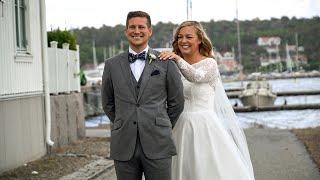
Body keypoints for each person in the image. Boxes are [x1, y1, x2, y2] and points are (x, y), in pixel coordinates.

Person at [159, 21, 255, 180]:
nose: (183, 41)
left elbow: (196, 76)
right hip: (179, 126)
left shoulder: (210, 64)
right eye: (179, 37)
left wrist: (176, 58)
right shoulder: (173, 65)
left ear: (199, 40)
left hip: (204, 126)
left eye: (189, 37)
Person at [101, 11, 184, 180]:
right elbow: (107, 102)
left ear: (150, 31)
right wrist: (124, 120)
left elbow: (177, 102)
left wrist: (162, 124)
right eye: (132, 27)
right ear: (126, 31)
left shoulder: (166, 62)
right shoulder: (112, 64)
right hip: (124, 143)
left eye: (141, 27)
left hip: (158, 141)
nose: (136, 31)